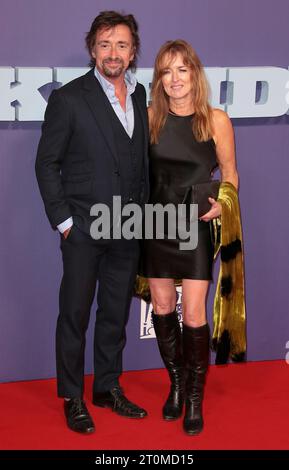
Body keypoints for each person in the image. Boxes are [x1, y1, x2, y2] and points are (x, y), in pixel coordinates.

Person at [35, 11, 149, 434]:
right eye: (105, 44)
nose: (113, 52)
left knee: (115, 313)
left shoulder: (141, 97)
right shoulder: (69, 99)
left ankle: (106, 387)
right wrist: (64, 221)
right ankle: (72, 397)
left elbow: (140, 163)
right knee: (75, 314)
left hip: (128, 227)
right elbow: (47, 163)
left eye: (121, 44)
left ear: (133, 50)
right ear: (92, 50)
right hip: (83, 226)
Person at [140, 40, 238, 435]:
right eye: (167, 71)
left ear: (194, 74)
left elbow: (230, 175)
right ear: (159, 80)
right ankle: (177, 385)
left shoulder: (216, 120)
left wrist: (222, 204)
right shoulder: (148, 119)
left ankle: (195, 397)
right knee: (163, 305)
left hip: (196, 224)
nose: (175, 79)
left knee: (194, 313)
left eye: (183, 69)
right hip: (154, 222)